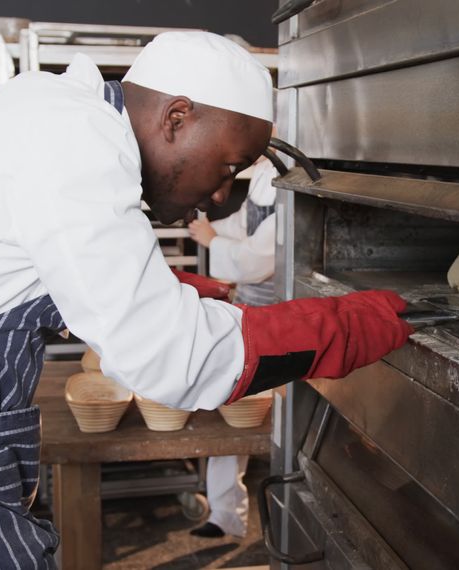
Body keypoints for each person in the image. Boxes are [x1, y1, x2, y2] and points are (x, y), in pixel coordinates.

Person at [0, 32, 411, 569]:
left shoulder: (51, 109)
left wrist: (191, 289)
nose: (221, 194)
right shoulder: (74, 140)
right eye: (226, 165)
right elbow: (175, 358)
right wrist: (343, 327)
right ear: (177, 117)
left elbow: (40, 272)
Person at [186, 155, 281, 539]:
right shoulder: (262, 170)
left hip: (283, 310)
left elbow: (261, 258)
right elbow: (246, 224)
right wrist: (205, 228)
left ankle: (287, 510)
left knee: (279, 413)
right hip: (252, 307)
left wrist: (213, 240)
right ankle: (226, 513)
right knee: (232, 400)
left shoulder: (291, 170)